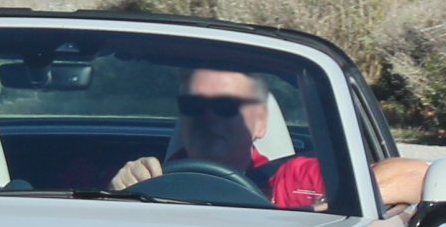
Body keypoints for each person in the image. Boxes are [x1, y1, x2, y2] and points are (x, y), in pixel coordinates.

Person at [110, 68, 427, 209]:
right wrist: (118, 197)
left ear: (260, 121)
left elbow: (417, 174)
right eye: (194, 105)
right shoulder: (147, 180)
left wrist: (341, 201)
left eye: (226, 106)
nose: (207, 117)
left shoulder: (294, 179)